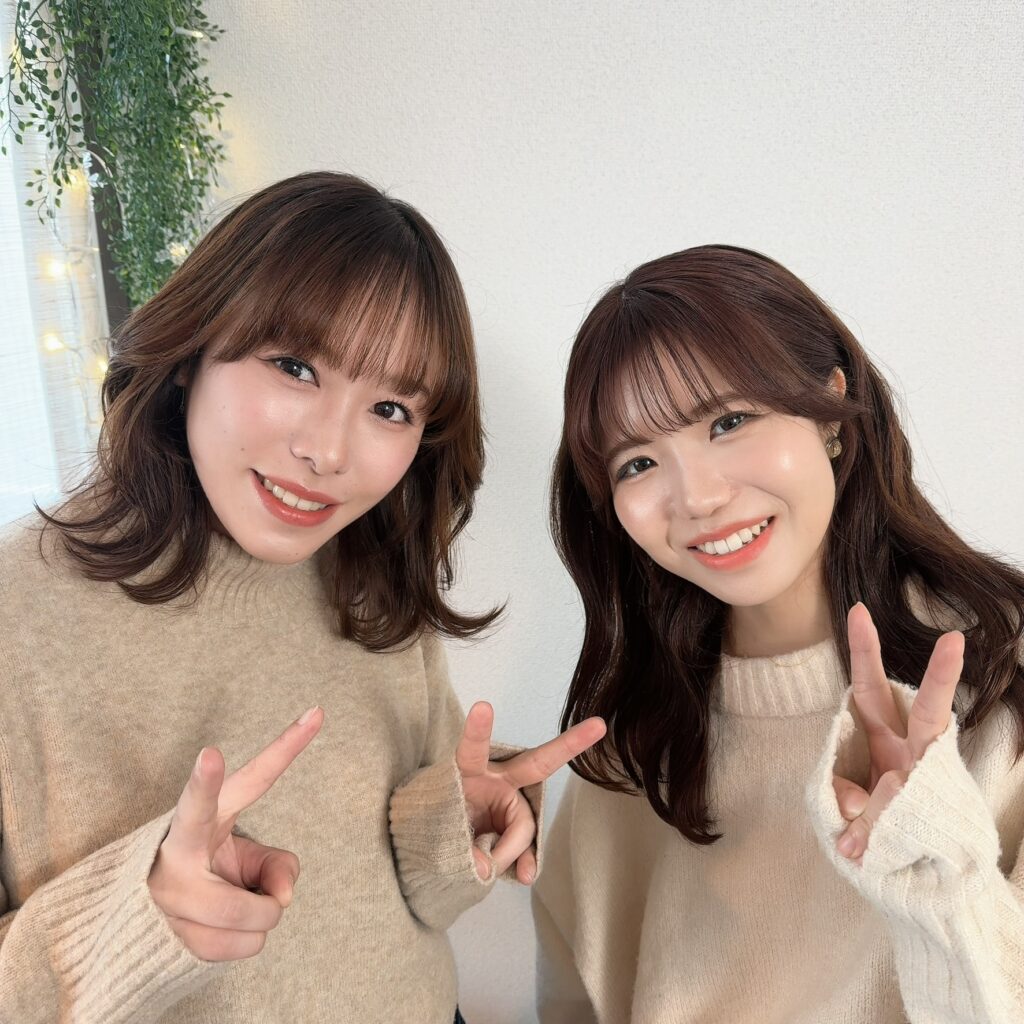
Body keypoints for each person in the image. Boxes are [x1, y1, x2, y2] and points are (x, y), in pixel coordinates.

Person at [0, 171, 605, 1024]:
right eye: (294, 367)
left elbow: (409, 900)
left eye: (390, 408)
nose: (329, 453)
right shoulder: (18, 613)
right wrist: (137, 921)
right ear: (192, 351)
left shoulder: (371, 578)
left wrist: (455, 824)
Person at [533, 244, 1024, 1023]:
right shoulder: (629, 752)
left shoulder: (1003, 675)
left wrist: (940, 871)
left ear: (829, 408)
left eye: (729, 421)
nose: (698, 497)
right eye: (637, 463)